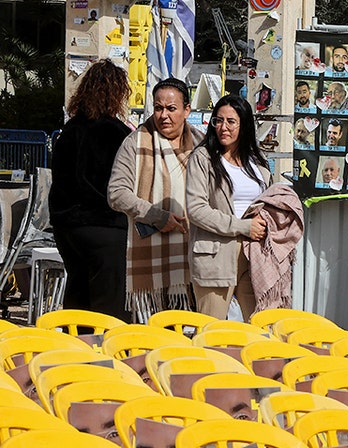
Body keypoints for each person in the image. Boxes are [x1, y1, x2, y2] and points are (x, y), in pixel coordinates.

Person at [109, 77, 203, 321]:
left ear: (186, 111)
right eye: (158, 108)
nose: (164, 115)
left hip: (194, 254)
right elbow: (117, 193)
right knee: (151, 334)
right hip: (149, 255)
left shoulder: (203, 145)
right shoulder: (134, 143)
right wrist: (156, 217)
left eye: (171, 109)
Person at [49, 59, 133, 321]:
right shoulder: (117, 133)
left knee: (77, 293)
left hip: (66, 224)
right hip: (104, 224)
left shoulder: (69, 130)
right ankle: (103, 356)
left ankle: (74, 350)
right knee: (108, 302)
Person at [185, 95, 270, 319]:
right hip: (215, 254)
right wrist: (242, 226)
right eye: (218, 121)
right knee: (212, 331)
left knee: (260, 327)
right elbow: (196, 209)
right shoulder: (202, 158)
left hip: (254, 255)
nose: (224, 127)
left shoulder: (258, 160)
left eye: (231, 121)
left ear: (244, 125)